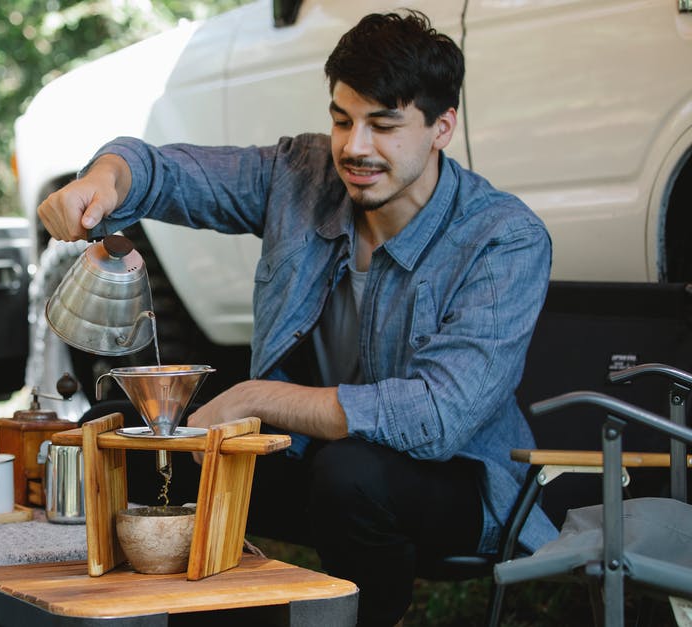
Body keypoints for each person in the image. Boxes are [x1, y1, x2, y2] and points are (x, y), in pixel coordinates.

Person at [38, 11, 558, 626]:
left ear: (442, 127)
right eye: (342, 120)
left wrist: (260, 397)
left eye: (384, 126)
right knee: (130, 432)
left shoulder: (504, 238)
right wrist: (100, 181)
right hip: (311, 461)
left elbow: (437, 418)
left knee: (352, 473)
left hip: (456, 484)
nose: (355, 147)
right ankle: (176, 615)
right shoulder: (301, 174)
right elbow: (168, 172)